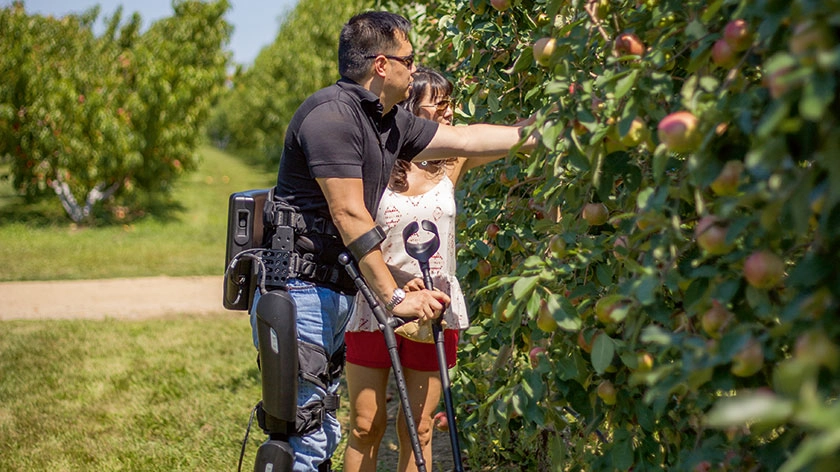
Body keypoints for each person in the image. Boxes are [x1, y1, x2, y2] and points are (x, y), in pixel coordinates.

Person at [251, 11, 537, 472]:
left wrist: (540, 134)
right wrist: (395, 296)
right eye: (409, 58)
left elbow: (463, 139)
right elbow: (349, 214)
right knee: (301, 429)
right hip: (300, 290)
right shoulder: (332, 117)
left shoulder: (385, 122)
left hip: (334, 290)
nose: (415, 66)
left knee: (320, 424)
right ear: (382, 65)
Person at [343, 67, 510, 472]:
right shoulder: (375, 163)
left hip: (434, 306)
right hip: (376, 302)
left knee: (418, 428)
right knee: (366, 424)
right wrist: (396, 282)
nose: (451, 113)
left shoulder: (451, 161)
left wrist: (550, 122)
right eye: (441, 105)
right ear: (410, 110)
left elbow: (508, 140)